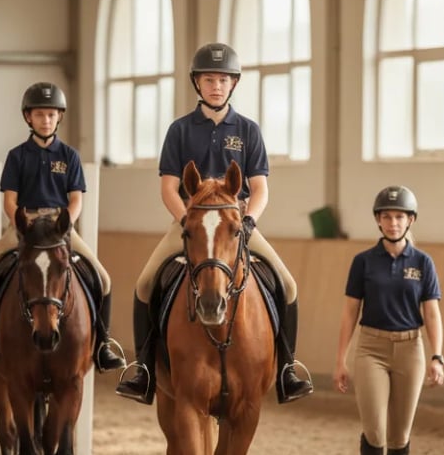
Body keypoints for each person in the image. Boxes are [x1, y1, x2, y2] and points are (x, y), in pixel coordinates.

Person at [115, 42, 313, 405]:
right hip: (190, 224)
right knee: (145, 284)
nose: (216, 86)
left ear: (233, 84)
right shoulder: (180, 130)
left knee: (287, 284)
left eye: (223, 80)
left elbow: (260, 188)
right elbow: (168, 188)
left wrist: (249, 219)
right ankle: (143, 369)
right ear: (197, 84)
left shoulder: (249, 130)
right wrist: (187, 221)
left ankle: (287, 368)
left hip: (235, 226)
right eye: (209, 79)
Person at [0, 82, 125, 373]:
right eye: (40, 114)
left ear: (59, 117)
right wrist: (23, 223)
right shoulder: (17, 155)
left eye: (51, 114)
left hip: (59, 228)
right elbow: (10, 200)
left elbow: (76, 200)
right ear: (28, 117)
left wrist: (65, 223)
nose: (46, 120)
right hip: (25, 227)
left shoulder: (69, 156)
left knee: (103, 278)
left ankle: (103, 344)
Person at [333, 186, 444, 455]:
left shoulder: (423, 263)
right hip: (371, 348)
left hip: (410, 349)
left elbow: (432, 314)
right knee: (374, 431)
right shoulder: (363, 262)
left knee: (399, 435)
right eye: (387, 216)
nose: (393, 222)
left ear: (410, 221)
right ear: (378, 221)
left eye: (399, 217)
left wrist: (437, 356)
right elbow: (350, 312)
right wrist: (341, 359)